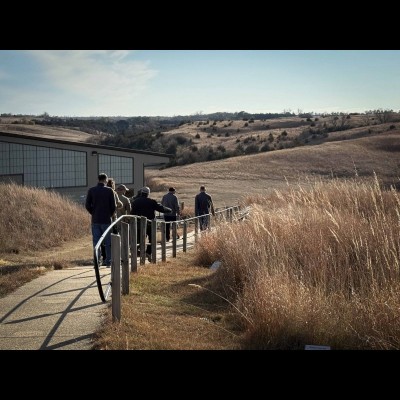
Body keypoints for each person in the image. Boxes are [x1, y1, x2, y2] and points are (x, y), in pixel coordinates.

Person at [131, 186, 172, 261]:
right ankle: (148, 252)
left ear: (141, 193)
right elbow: (161, 208)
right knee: (152, 239)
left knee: (139, 239)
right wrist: (169, 210)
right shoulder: (151, 201)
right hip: (150, 224)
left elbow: (132, 213)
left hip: (139, 224)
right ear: (148, 193)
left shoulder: (135, 202)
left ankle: (135, 251)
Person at [85, 173, 116, 267]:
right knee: (108, 242)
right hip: (106, 219)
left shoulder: (91, 190)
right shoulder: (109, 190)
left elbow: (87, 205)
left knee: (96, 242)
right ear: (106, 180)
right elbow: (113, 206)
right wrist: (109, 214)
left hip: (95, 219)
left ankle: (97, 261)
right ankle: (108, 261)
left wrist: (93, 213)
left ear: (98, 179)